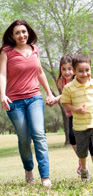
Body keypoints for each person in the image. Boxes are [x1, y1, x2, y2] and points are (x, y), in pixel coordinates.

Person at [0, 20, 55, 187]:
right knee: (24, 139)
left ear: (28, 32)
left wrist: (49, 92)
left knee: (39, 134)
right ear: (12, 35)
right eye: (17, 32)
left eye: (24, 31)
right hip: (14, 101)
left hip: (34, 98)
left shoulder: (35, 50)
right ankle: (29, 170)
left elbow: (40, 72)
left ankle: (45, 176)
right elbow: (2, 74)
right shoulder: (6, 52)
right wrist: (2, 94)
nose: (21, 35)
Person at [60, 53, 93, 181]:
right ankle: (84, 169)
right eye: (80, 71)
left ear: (91, 68)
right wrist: (76, 109)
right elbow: (65, 103)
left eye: (87, 70)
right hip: (80, 125)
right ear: (74, 71)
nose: (85, 74)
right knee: (81, 152)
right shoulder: (69, 87)